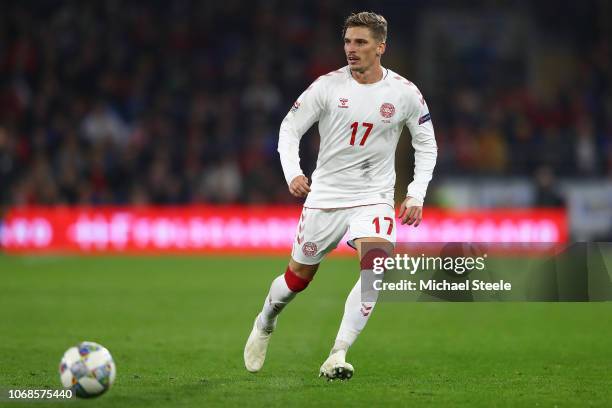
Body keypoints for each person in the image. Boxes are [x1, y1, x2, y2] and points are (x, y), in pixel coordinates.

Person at [244, 11, 437, 380]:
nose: (351, 49)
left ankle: (338, 353)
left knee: (376, 267)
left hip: (374, 197)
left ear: (381, 47)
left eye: (361, 42)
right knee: (296, 280)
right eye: (348, 41)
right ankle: (265, 321)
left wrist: (415, 194)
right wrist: (294, 173)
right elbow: (289, 129)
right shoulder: (327, 87)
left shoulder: (404, 93)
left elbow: (427, 144)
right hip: (326, 196)